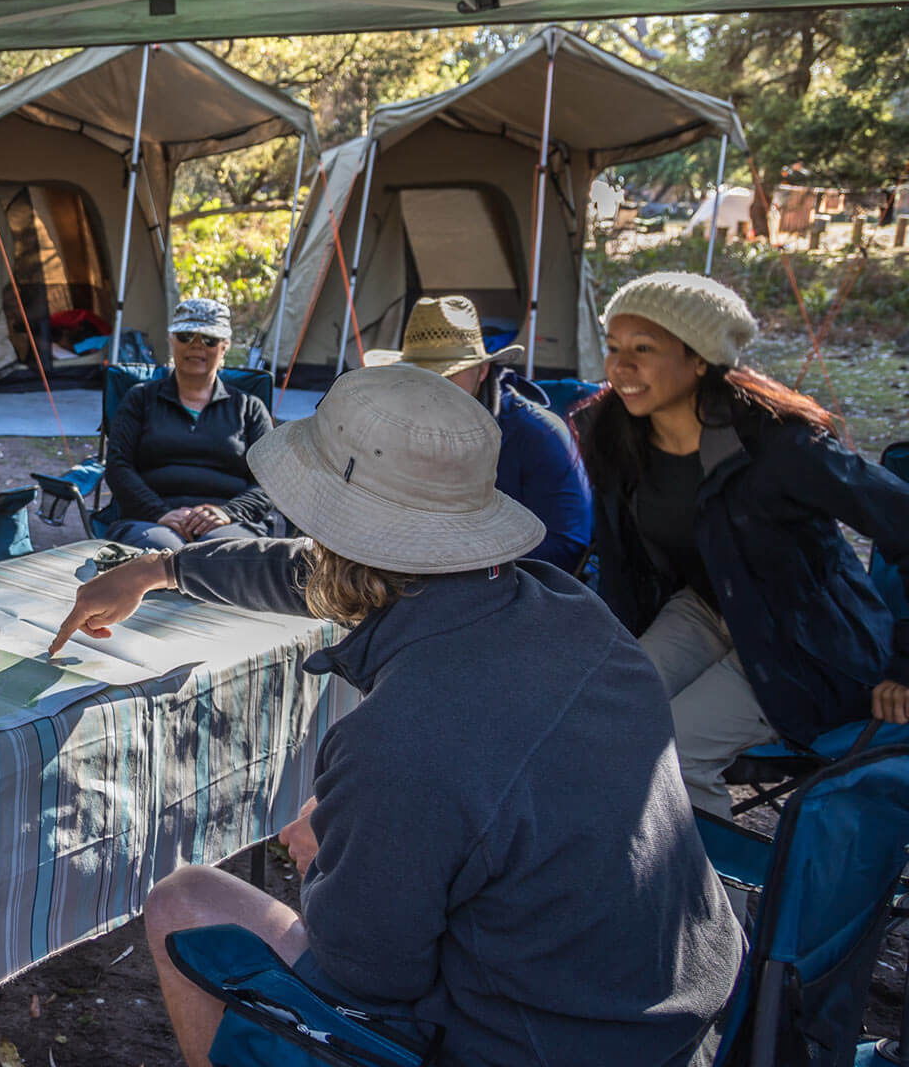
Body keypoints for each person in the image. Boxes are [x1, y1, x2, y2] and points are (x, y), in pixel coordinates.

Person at [52, 365, 743, 1067]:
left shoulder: (403, 741)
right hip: (675, 1011)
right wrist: (162, 570)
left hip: (545, 1046)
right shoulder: (562, 607)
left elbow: (367, 978)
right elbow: (329, 576)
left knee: (184, 902)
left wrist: (330, 856)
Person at [580, 270, 909, 815]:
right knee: (604, 711)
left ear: (700, 359)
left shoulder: (779, 444)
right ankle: (626, 871)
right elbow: (620, 564)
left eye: (644, 348)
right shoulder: (614, 435)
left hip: (801, 635)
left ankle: (714, 899)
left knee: (680, 751)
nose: (620, 366)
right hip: (706, 609)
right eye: (613, 347)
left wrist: (905, 663)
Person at [364, 294, 593, 570]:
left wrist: (455, 554)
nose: (434, 386)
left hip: (513, 594)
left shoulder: (538, 435)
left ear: (482, 370)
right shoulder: (398, 422)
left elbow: (566, 546)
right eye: (421, 374)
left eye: (449, 374)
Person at [103, 298, 276, 550]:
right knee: (161, 555)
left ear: (225, 346)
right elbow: (118, 467)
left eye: (209, 339)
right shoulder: (140, 399)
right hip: (151, 521)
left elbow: (270, 480)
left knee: (219, 553)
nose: (197, 346)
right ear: (171, 340)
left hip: (229, 523)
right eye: (186, 336)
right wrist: (159, 512)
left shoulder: (249, 408)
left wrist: (228, 512)